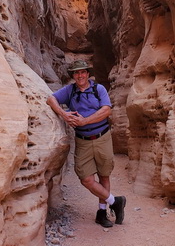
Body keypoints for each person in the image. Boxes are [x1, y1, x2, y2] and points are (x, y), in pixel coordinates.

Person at [46, 60, 126, 228]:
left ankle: (102, 213)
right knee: (86, 179)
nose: (80, 75)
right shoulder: (70, 91)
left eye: (83, 72)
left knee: (104, 175)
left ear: (88, 74)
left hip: (102, 137)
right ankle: (115, 201)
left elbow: (106, 110)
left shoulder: (99, 89)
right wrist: (63, 114)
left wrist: (85, 121)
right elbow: (50, 99)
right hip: (82, 141)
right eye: (76, 73)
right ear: (73, 76)